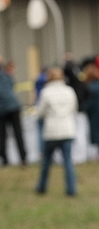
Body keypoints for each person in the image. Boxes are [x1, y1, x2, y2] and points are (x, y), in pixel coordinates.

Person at [35, 66, 78, 196]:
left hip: (52, 131)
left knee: (47, 161)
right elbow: (74, 108)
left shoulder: (46, 92)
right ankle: (71, 189)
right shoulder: (69, 91)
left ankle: (42, 187)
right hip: (67, 130)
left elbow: (40, 112)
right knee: (68, 161)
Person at [0, 59, 27, 166]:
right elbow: (12, 84)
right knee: (18, 133)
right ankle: (23, 158)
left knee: (2, 135)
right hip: (14, 106)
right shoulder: (4, 75)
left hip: (1, 109)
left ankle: (4, 159)